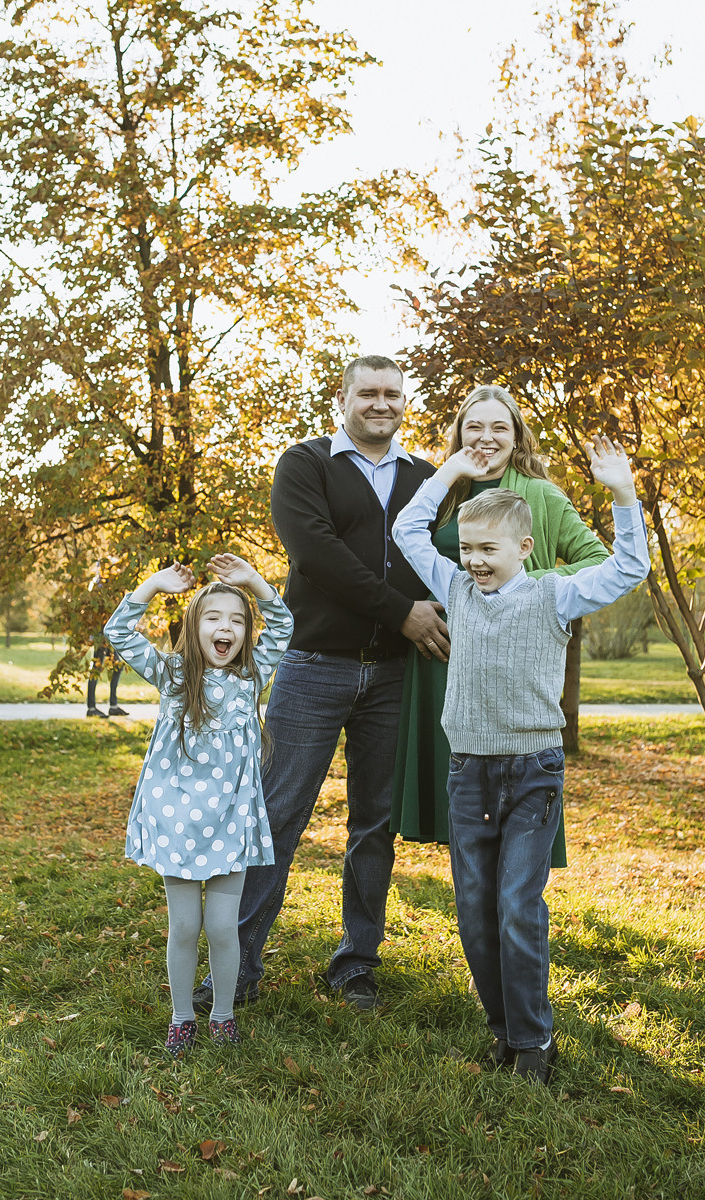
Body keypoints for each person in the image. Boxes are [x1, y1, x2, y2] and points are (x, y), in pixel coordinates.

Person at [193, 354, 449, 1014]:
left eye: (393, 393)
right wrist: (402, 611)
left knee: (375, 825)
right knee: (275, 817)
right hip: (314, 667)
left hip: (396, 674)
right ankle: (237, 968)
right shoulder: (305, 464)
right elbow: (315, 553)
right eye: (368, 391)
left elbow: (443, 554)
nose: (381, 403)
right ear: (343, 397)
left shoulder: (425, 476)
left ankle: (355, 963)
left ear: (403, 402)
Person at [393, 435, 649, 1082]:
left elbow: (627, 568)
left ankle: (534, 1043)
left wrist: (622, 494)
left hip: (533, 772)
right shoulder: (455, 587)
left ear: (524, 550)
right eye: (469, 549)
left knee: (517, 907)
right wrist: (450, 468)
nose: (475, 561)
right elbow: (408, 529)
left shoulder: (552, 594)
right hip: (470, 774)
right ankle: (505, 1030)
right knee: (475, 915)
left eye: (489, 549)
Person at [390, 385, 610, 866]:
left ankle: (515, 905)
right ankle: (476, 913)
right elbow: (412, 543)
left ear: (517, 437)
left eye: (499, 428)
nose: (486, 438)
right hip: (441, 656)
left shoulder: (539, 494)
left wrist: (527, 591)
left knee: (512, 807)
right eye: (474, 426)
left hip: (511, 655)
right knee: (462, 802)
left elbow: (597, 560)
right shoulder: (450, 491)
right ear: (459, 433)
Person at [104, 553, 293, 1055]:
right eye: (213, 618)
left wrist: (253, 581)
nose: (224, 627)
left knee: (222, 927)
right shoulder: (173, 676)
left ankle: (224, 1015)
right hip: (176, 822)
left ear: (245, 633)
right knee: (185, 926)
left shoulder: (252, 677)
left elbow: (283, 624)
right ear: (193, 627)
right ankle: (182, 1017)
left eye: (235, 619)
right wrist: (152, 586)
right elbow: (119, 633)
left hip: (231, 820)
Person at [87, 561, 127, 718]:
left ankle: (113, 705)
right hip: (99, 634)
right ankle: (91, 708)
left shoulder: (112, 585)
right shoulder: (96, 585)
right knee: (96, 669)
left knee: (117, 667)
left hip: (110, 633)